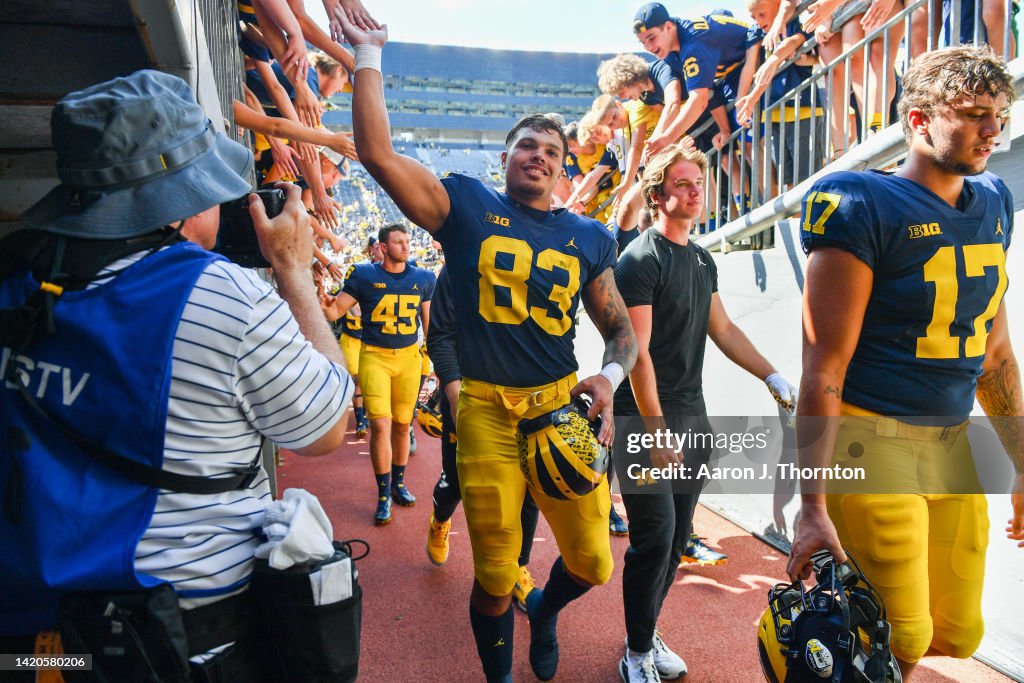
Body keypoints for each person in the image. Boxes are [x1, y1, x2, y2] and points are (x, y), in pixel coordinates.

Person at [0, 70, 353, 677]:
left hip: (26, 631)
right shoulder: (223, 295)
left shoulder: (13, 271)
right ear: (182, 196)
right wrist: (293, 270)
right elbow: (324, 429)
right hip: (170, 637)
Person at [339, 14, 638, 683]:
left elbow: (621, 332)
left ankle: (551, 610)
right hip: (484, 411)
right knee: (499, 568)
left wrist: (612, 376)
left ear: (565, 169)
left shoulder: (589, 236)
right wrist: (367, 52)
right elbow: (378, 153)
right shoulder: (468, 205)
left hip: (560, 407)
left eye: (552, 152)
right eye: (526, 145)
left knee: (593, 560)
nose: (539, 155)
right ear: (503, 157)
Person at [788, 45, 1024, 680]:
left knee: (957, 633)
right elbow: (824, 366)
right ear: (918, 120)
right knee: (903, 635)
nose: (992, 127)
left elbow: (994, 353)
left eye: (998, 113)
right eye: (974, 112)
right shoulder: (860, 200)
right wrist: (811, 504)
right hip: (872, 438)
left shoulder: (993, 202)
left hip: (952, 445)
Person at [613, 142, 797, 682]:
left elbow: (724, 329)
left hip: (694, 417)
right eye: (684, 185)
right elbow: (638, 351)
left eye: (699, 184)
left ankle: (642, 635)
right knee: (653, 540)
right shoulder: (640, 259)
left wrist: (772, 374)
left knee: (675, 541)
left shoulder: (700, 257)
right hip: (646, 419)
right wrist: (656, 429)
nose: (696, 193)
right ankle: (637, 655)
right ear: (657, 195)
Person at [425, 266, 543, 613]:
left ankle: (518, 567)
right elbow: (440, 335)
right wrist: (454, 392)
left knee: (530, 483)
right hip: (472, 393)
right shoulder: (465, 258)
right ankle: (440, 520)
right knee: (459, 483)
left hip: (526, 393)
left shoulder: (544, 254)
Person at [321, 223, 435, 525]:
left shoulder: (423, 277)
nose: (406, 247)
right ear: (383, 247)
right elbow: (334, 312)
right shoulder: (364, 275)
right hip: (374, 357)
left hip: (409, 359)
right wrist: (320, 296)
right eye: (398, 242)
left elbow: (429, 325)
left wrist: (434, 360)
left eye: (407, 241)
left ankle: (399, 484)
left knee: (401, 425)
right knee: (381, 425)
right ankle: (383, 493)